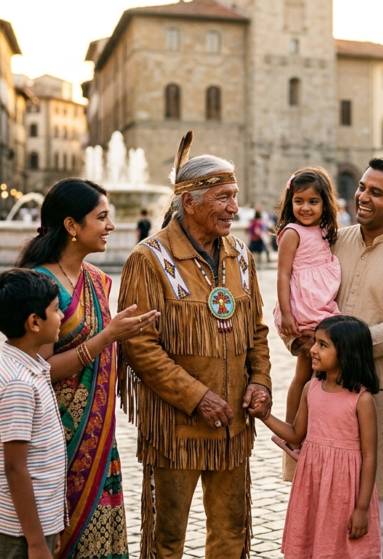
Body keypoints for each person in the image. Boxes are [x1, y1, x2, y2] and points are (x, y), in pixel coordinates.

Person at [117, 133, 272, 559]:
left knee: (231, 532)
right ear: (190, 201)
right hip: (176, 429)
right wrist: (196, 396)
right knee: (167, 538)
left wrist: (259, 382)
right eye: (223, 198)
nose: (234, 209)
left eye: (234, 197)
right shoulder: (149, 259)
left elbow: (255, 330)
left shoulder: (240, 256)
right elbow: (139, 345)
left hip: (232, 427)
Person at [289, 157, 383, 559]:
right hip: (322, 399)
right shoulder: (332, 240)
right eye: (363, 187)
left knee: (377, 512)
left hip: (375, 398)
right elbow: (304, 298)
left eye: (376, 192)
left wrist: (338, 349)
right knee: (319, 506)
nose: (363, 197)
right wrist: (301, 340)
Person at [15, 179, 157, 559]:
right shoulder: (41, 284)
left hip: (99, 435)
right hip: (56, 440)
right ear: (72, 226)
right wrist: (107, 336)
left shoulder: (97, 280)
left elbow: (110, 351)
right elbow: (38, 369)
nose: (110, 225)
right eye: (102, 217)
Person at [254, 315, 382, 558]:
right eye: (315, 342)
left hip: (345, 492)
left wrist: (362, 508)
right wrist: (264, 416)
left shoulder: (361, 400)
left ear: (346, 353)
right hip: (313, 485)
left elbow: (370, 457)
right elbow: (295, 434)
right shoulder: (310, 388)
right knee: (311, 544)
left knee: (342, 549)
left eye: (322, 345)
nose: (312, 350)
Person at [0, 269, 67, 559]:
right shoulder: (18, 383)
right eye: (55, 310)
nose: (62, 317)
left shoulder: (30, 368)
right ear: (34, 322)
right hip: (18, 530)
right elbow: (15, 469)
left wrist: (49, 529)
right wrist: (35, 541)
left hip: (34, 524)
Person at [272, 167, 342, 480]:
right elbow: (284, 274)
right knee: (304, 372)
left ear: (325, 203)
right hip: (302, 310)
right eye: (299, 201)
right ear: (290, 202)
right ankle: (291, 433)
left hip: (322, 307)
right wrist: (287, 314)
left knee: (319, 373)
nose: (305, 208)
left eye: (313, 201)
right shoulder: (292, 232)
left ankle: (313, 428)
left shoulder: (324, 231)